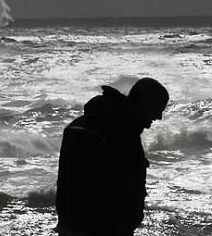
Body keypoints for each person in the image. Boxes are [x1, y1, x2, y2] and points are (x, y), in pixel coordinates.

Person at [55, 77, 169, 236]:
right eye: (158, 108)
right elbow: (116, 191)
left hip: (69, 226)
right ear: (144, 101)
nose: (159, 117)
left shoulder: (82, 124)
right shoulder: (122, 133)